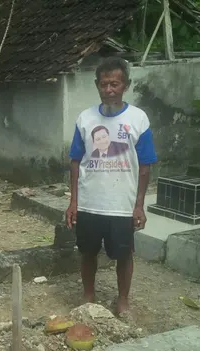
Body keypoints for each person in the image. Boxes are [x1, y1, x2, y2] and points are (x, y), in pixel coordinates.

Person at [66, 56, 157, 317]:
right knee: (87, 252)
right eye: (104, 84)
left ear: (125, 85)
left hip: (122, 204)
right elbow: (75, 162)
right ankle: (88, 296)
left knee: (124, 255)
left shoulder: (138, 119)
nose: (109, 90)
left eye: (114, 84)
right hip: (90, 203)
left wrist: (139, 205)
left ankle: (123, 301)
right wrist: (74, 201)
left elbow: (146, 165)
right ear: (97, 85)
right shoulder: (85, 118)